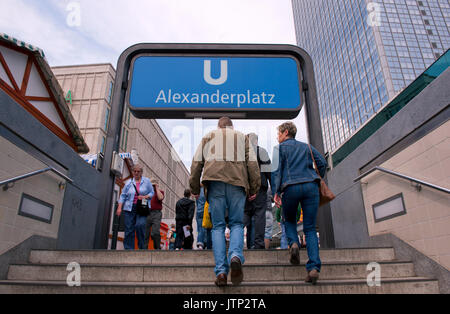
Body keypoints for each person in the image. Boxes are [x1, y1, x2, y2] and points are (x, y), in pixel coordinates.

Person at [190, 117, 260, 287]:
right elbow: (252, 163)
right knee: (236, 224)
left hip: (214, 184)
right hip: (237, 184)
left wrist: (194, 187)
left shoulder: (209, 136)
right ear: (231, 126)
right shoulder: (242, 137)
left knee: (218, 227)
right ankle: (235, 255)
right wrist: (254, 187)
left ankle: (221, 272)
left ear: (218, 126)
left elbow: (196, 162)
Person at [271, 122, 327, 285]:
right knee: (309, 228)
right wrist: (317, 178)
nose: (277, 137)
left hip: (290, 188)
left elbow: (276, 172)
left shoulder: (279, 149)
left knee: (289, 221)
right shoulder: (307, 147)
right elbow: (322, 163)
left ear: (285, 132)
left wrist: (276, 192)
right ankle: (314, 268)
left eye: (279, 133)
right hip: (310, 186)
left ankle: (294, 244)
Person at [243, 133, 271, 250]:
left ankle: (239, 242)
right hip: (260, 189)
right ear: (256, 141)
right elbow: (269, 171)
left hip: (246, 189)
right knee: (259, 215)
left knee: (245, 214)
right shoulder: (262, 152)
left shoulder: (242, 153)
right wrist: (274, 188)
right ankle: (258, 244)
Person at [116, 164, 154, 250]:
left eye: (138, 171)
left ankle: (141, 248)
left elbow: (152, 193)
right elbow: (123, 196)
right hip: (129, 208)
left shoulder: (147, 181)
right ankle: (129, 249)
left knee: (140, 225)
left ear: (141, 172)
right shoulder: (129, 182)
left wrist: (145, 197)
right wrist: (119, 207)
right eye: (135, 171)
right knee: (129, 229)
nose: (136, 173)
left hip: (141, 208)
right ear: (133, 172)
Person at [145, 178, 165, 249]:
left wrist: (156, 188)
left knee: (155, 232)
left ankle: (157, 248)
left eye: (153, 185)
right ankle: (144, 249)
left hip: (156, 213)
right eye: (151, 185)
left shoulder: (160, 192)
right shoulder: (147, 193)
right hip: (147, 213)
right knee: (145, 233)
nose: (152, 187)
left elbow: (160, 198)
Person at [196, 185, 212, 250]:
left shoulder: (198, 191)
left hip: (199, 211)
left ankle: (200, 244)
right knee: (208, 228)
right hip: (207, 211)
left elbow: (197, 203)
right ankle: (208, 245)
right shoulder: (208, 190)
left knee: (200, 228)